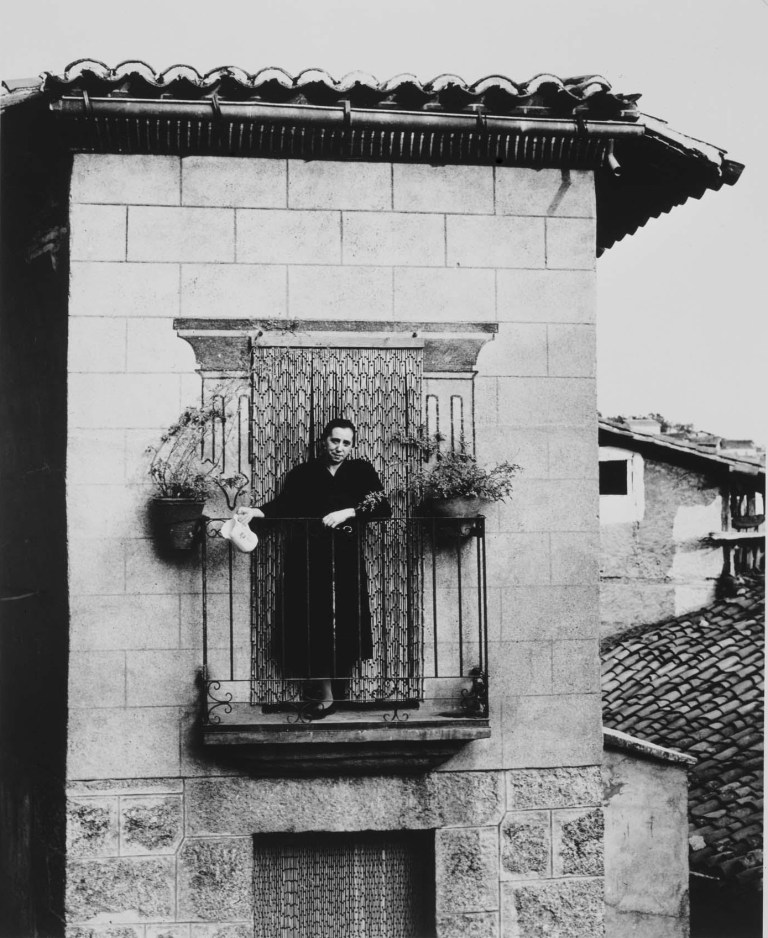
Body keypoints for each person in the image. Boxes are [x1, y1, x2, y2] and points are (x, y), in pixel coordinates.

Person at [234, 418, 391, 719]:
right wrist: (256, 511)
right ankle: (326, 696)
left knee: (345, 619)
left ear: (352, 445)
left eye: (346, 443)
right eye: (335, 441)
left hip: (345, 556)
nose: (339, 448)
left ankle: (341, 688)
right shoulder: (304, 474)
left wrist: (349, 512)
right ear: (324, 441)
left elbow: (382, 507)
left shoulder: (361, 471)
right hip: (309, 556)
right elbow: (284, 506)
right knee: (313, 620)